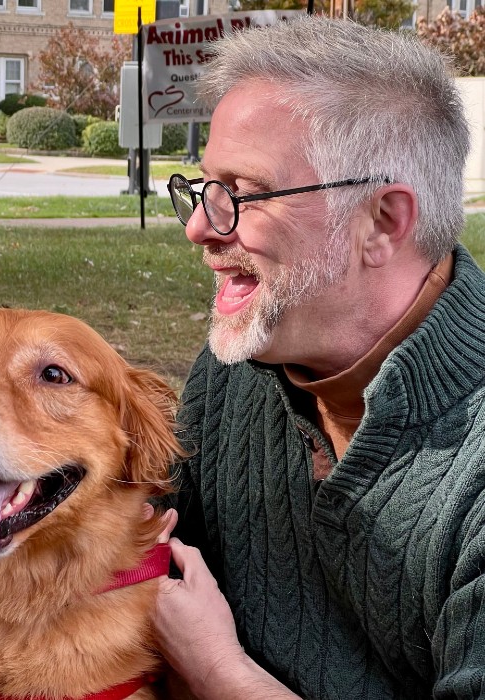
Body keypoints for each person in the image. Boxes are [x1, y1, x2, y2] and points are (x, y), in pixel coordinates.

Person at [152, 17, 485, 699]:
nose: (197, 227)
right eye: (203, 189)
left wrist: (219, 670)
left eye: (240, 195)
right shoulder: (234, 370)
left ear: (383, 222)